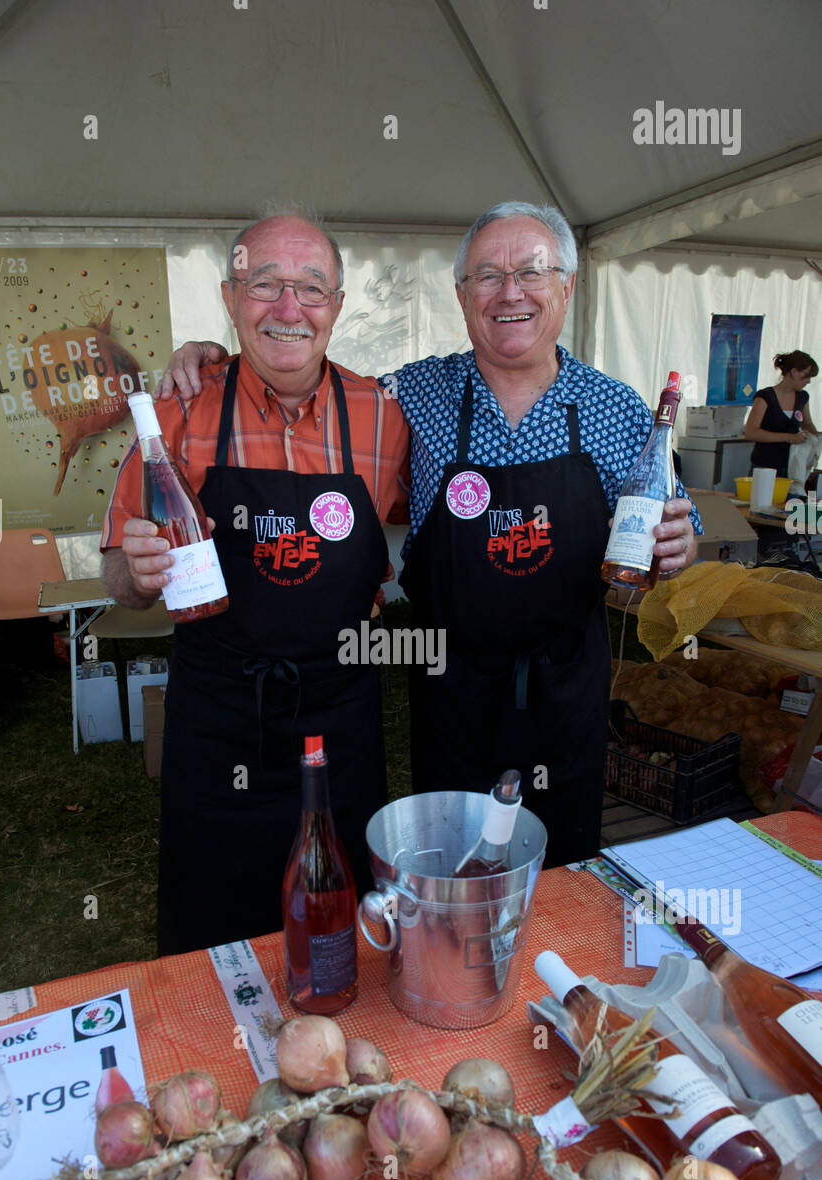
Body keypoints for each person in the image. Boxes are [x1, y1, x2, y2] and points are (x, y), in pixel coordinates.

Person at [157, 201, 701, 869]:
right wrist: (218, 358)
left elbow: (677, 531)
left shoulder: (616, 406)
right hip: (452, 684)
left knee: (564, 868)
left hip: (565, 687)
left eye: (531, 272)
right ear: (461, 295)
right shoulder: (410, 395)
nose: (510, 293)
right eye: (487, 277)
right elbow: (302, 371)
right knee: (450, 867)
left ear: (568, 285)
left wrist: (680, 547)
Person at [101, 215, 409, 954]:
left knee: (345, 921)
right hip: (219, 719)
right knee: (212, 928)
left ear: (337, 304)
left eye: (310, 288)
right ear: (231, 296)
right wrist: (135, 572)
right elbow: (116, 571)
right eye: (264, 284)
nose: (288, 307)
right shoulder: (174, 412)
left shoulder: (386, 416)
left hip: (342, 716)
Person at [744, 350, 819, 477]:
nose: (808, 381)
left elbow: (807, 424)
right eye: (806, 376)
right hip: (765, 466)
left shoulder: (802, 397)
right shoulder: (765, 396)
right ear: (794, 372)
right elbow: (751, 432)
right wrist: (788, 437)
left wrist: (816, 436)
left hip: (793, 467)